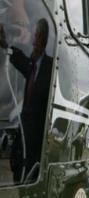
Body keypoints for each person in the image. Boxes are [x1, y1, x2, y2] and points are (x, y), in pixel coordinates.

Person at [0, 18, 52, 183]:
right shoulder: (32, 65)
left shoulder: (50, 66)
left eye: (37, 36)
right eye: (34, 35)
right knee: (19, 166)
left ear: (43, 39)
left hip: (39, 135)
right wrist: (5, 44)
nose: (33, 40)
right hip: (25, 132)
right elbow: (19, 58)